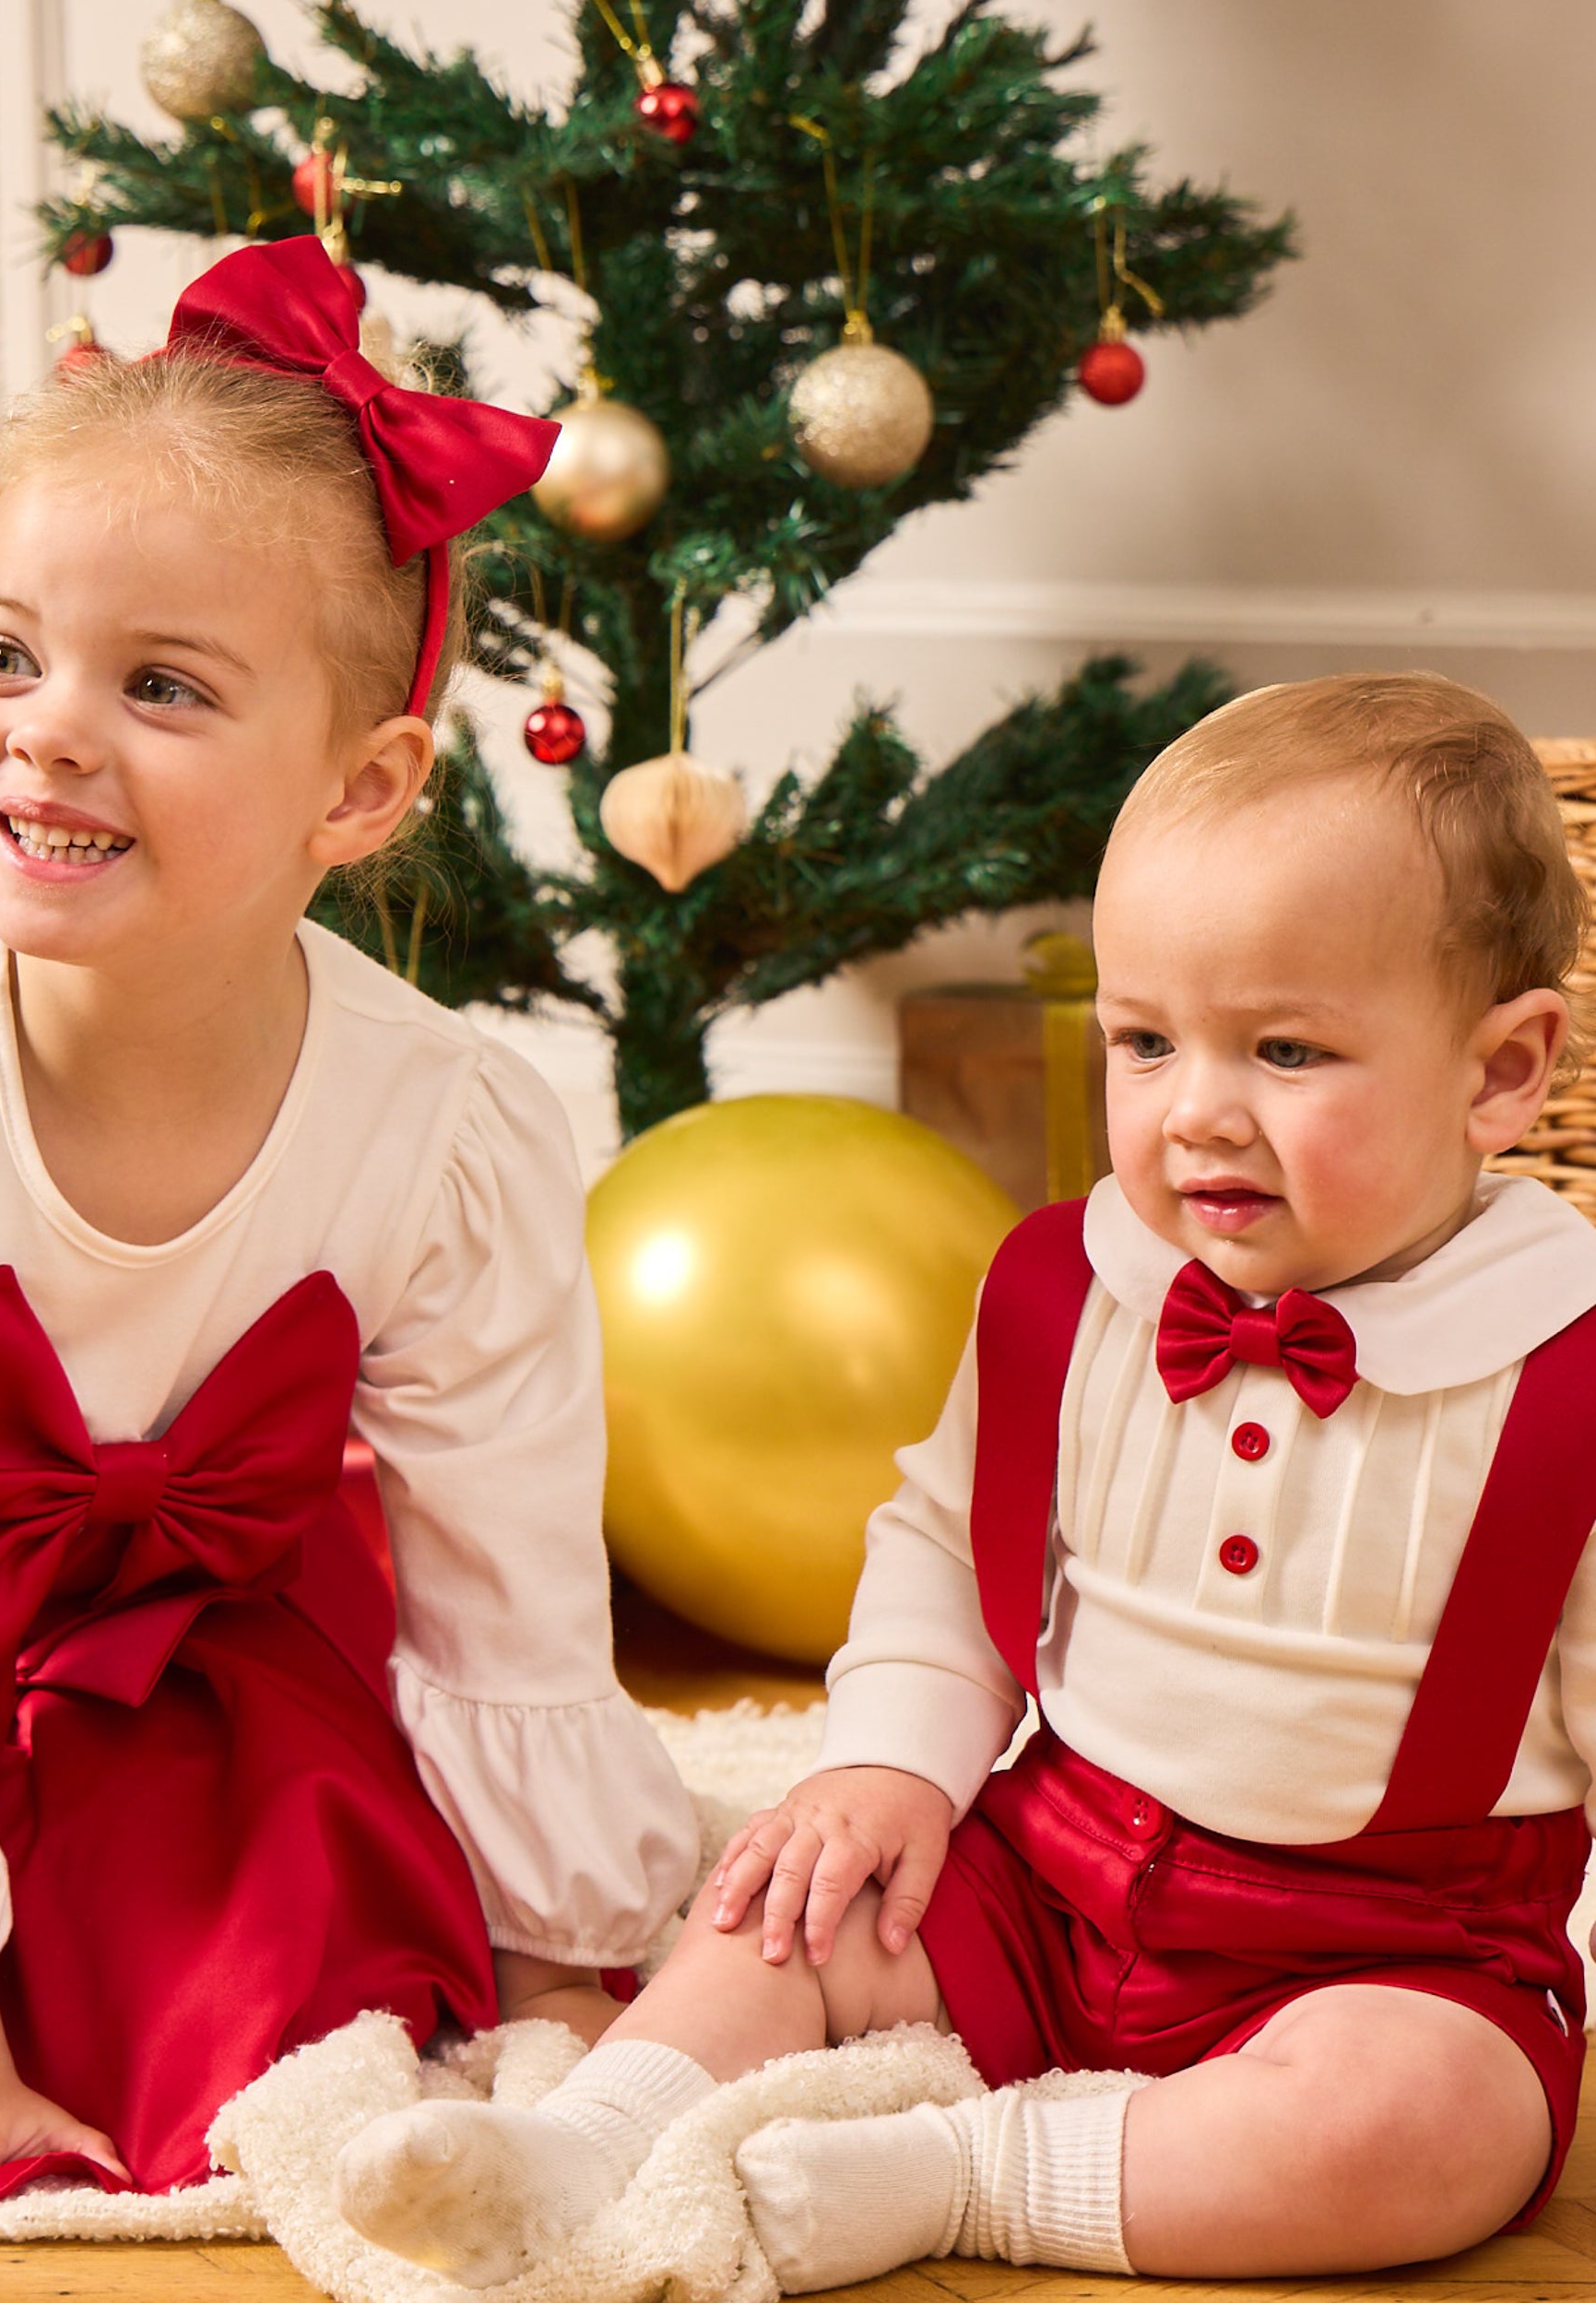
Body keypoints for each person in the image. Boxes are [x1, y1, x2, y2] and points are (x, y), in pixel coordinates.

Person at [338, 670, 1596, 2289]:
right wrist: (889, 1770)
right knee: (789, 1902)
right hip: (1045, 1871)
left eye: (1286, 1050)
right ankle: (587, 2139)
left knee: (1430, 2127)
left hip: (1384, 1946)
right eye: (1146, 1041)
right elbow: (946, 1553)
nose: (1195, 1112)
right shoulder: (1068, 1293)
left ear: (1500, 1075)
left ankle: (959, 2180)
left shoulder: (1563, 1379)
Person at [0, 235, 697, 2256]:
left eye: (160, 686)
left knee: (291, 1943)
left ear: (358, 790)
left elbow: (509, 1585)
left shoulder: (446, 1134)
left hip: (180, 1657)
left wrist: (560, 1979)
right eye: (4, 655)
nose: (47, 735)